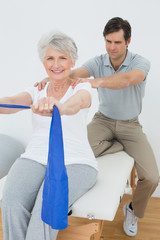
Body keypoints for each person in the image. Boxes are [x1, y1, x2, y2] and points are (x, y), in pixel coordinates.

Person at [36, 17, 159, 237]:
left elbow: (127, 79)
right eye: (108, 41)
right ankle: (116, 145)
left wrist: (94, 82)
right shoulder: (97, 62)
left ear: (128, 41)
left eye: (117, 43)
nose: (112, 47)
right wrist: (48, 79)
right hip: (102, 121)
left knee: (151, 177)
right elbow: (72, 74)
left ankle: (133, 211)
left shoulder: (141, 62)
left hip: (130, 125)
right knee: (73, 155)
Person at [0, 31, 98, 240]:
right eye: (50, 58)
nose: (56, 64)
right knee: (11, 201)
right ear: (43, 62)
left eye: (62, 57)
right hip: (34, 158)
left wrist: (59, 106)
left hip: (75, 162)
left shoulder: (82, 87)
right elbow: (11, 102)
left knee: (46, 209)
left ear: (72, 61)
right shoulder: (38, 89)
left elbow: (77, 103)